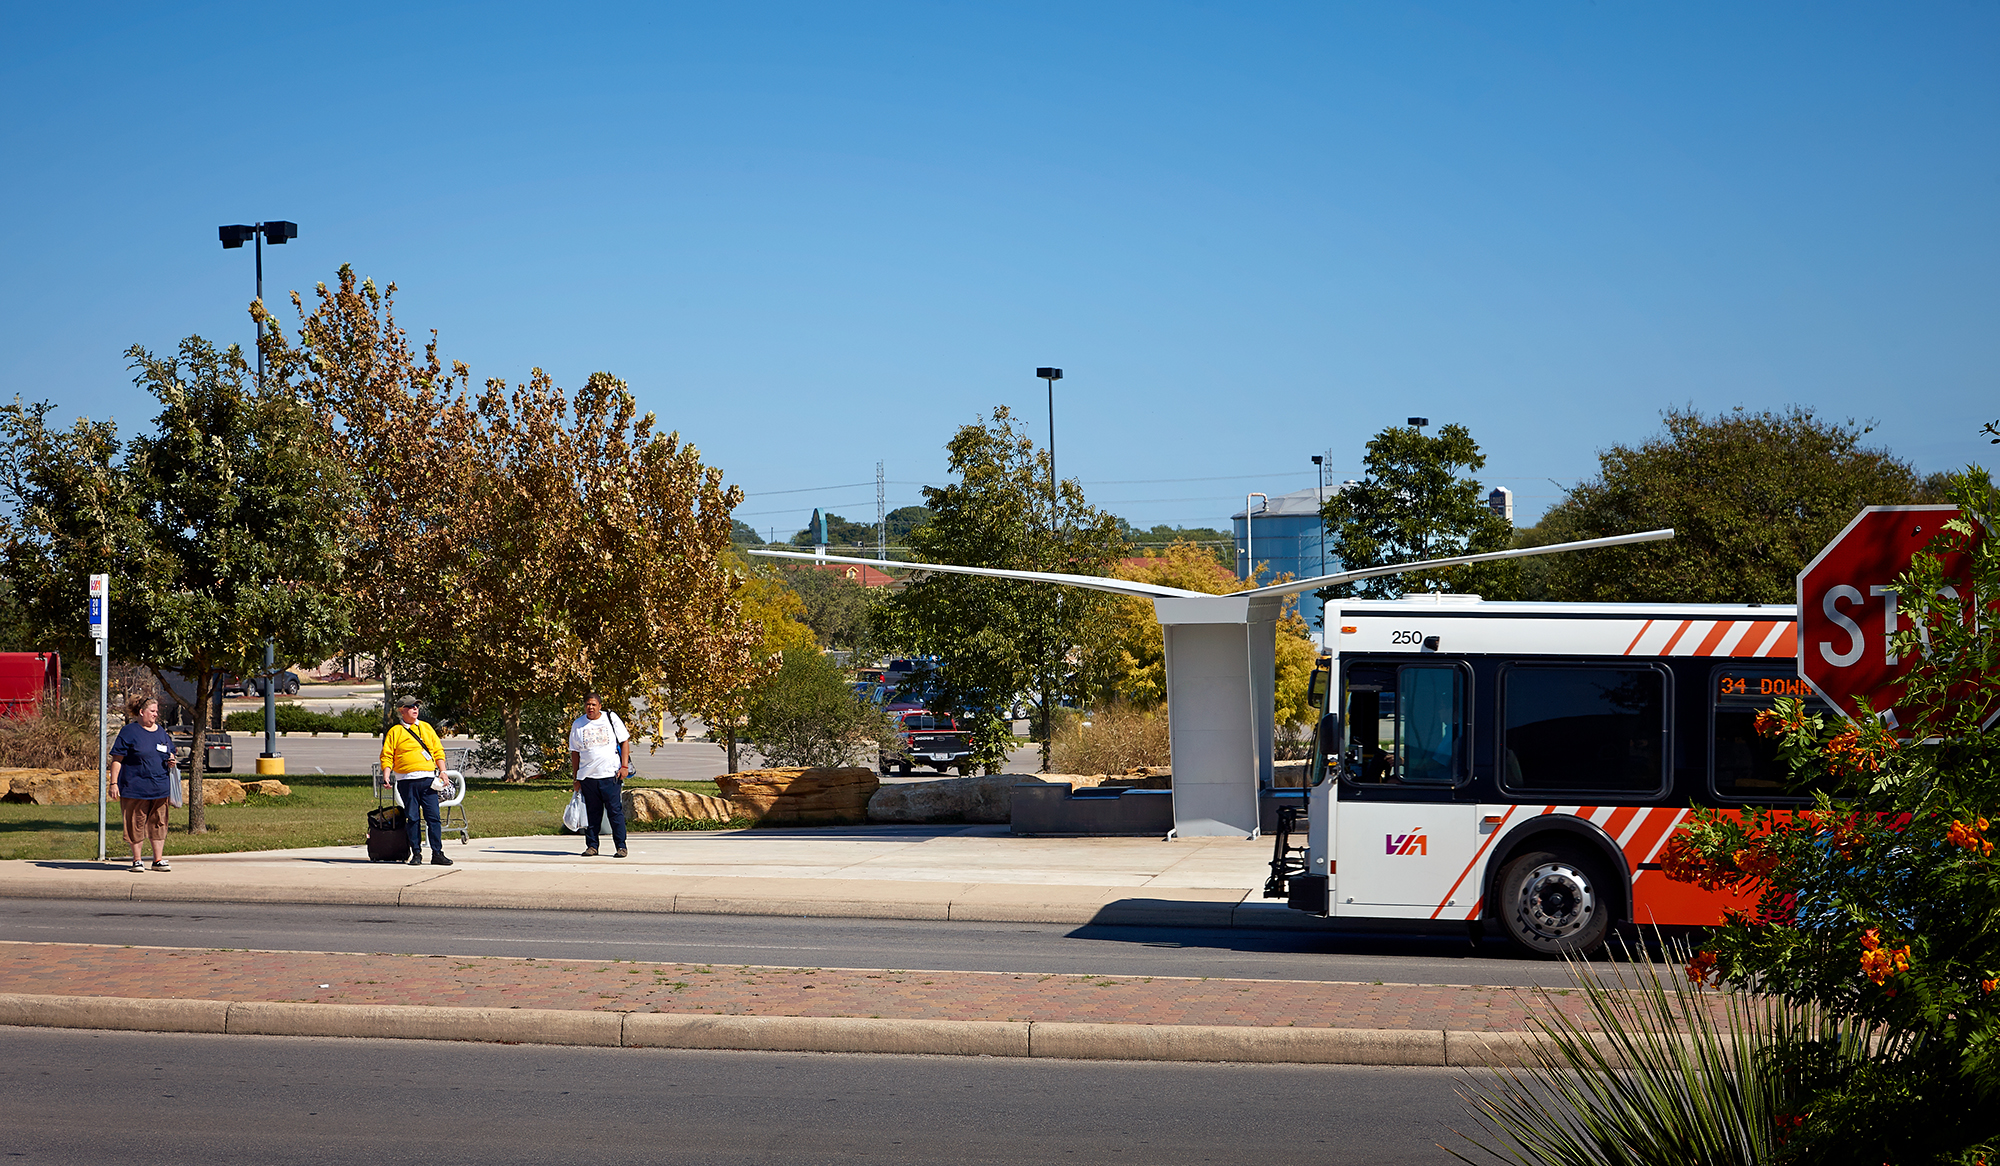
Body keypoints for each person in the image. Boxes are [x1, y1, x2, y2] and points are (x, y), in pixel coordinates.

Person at [108, 695, 179, 872]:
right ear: (142, 712)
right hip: (135, 788)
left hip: (160, 788)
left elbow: (169, 752)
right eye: (152, 711)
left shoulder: (161, 731)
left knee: (159, 823)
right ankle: (137, 860)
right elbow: (117, 759)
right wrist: (113, 783)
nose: (156, 715)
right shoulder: (129, 732)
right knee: (135, 823)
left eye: (157, 711)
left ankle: (158, 860)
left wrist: (171, 760)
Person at [380, 695, 451, 867]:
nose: (415, 709)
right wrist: (386, 774)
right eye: (411, 706)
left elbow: (438, 751)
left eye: (416, 706)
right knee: (412, 817)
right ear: (402, 710)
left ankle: (437, 853)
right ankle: (416, 853)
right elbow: (387, 755)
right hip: (407, 781)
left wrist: (443, 772)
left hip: (428, 780)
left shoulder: (426, 728)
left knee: (433, 817)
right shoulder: (395, 731)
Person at [568, 692, 631, 858]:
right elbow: (575, 753)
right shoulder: (578, 724)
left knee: (614, 812)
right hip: (588, 778)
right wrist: (576, 778)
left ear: (600, 706)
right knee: (592, 814)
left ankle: (621, 846)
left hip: (610, 775)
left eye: (594, 704)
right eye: (588, 704)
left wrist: (624, 766)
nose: (590, 707)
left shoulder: (611, 718)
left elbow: (624, 741)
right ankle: (592, 846)